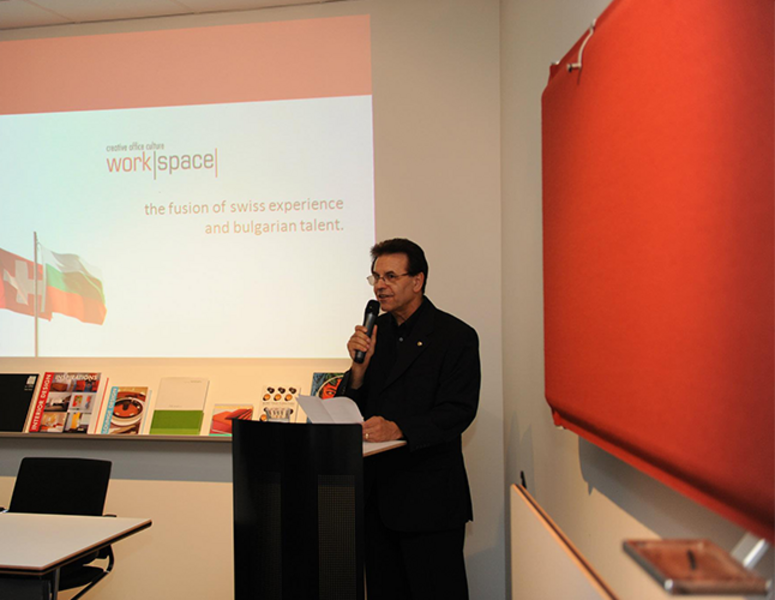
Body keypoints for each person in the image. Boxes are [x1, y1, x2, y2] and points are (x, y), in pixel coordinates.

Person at [338, 238, 480, 600]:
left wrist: (399, 428)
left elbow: (458, 410)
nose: (380, 286)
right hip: (377, 500)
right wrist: (358, 371)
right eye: (375, 277)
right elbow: (350, 406)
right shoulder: (376, 334)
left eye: (390, 276)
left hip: (428, 502)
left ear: (417, 281)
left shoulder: (455, 336)